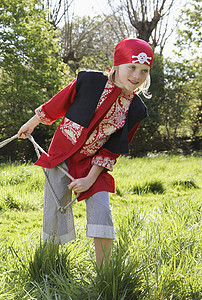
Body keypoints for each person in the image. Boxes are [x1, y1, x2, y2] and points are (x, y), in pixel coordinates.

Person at [17, 38, 153, 268]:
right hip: (62, 155)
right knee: (55, 210)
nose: (137, 76)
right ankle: (48, 266)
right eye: (132, 67)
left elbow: (113, 149)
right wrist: (33, 121)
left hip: (94, 165)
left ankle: (105, 273)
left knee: (102, 210)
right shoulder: (88, 80)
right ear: (118, 64)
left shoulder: (137, 109)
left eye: (144, 70)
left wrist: (90, 178)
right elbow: (60, 101)